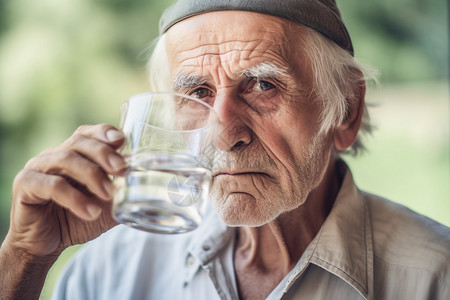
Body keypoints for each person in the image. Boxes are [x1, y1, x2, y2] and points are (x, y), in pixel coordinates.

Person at [1, 0, 449, 299]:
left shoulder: (434, 277)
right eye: (196, 93)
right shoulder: (108, 273)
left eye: (262, 85)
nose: (223, 133)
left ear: (345, 111)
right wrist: (24, 258)